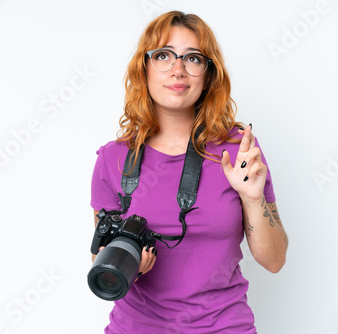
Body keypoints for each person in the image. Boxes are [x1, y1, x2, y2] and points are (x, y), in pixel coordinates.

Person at [90, 10, 288, 334]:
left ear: (208, 74)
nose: (177, 69)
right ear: (145, 67)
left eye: (193, 58)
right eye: (164, 55)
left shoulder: (238, 151)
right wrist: (129, 266)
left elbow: (274, 260)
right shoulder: (113, 159)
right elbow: (103, 266)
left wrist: (252, 199)